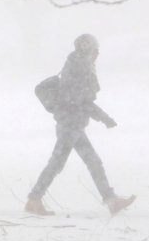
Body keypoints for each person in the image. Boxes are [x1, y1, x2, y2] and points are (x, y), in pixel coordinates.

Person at [26, 34, 136, 216]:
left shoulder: (76, 65)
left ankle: (111, 201)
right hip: (70, 124)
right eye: (95, 49)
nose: (98, 53)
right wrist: (104, 117)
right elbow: (80, 100)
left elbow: (79, 99)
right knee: (61, 163)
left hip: (72, 123)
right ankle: (34, 199)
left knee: (88, 162)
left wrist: (100, 116)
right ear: (87, 49)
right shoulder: (79, 68)